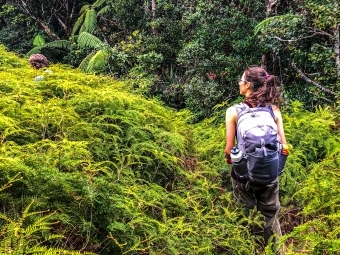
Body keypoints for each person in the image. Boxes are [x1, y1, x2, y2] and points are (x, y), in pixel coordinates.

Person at [224, 66, 287, 245]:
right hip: (269, 174)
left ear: (248, 85)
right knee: (271, 215)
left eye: (241, 80)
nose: (239, 83)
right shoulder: (273, 110)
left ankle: (242, 246)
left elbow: (229, 150)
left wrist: (232, 159)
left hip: (243, 176)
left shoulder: (233, 111)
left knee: (242, 214)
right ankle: (276, 249)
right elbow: (283, 144)